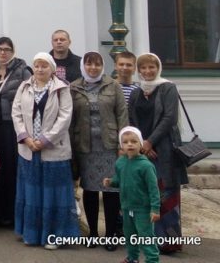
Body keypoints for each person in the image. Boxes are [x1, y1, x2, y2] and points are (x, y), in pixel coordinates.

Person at [11, 52, 80, 249]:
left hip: (53, 150)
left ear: (51, 69)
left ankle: (54, 235)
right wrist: (25, 137)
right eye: (37, 66)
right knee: (32, 192)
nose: (40, 69)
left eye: (44, 66)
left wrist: (45, 140)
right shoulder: (24, 86)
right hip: (28, 148)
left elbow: (65, 116)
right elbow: (16, 112)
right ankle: (31, 233)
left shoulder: (61, 89)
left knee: (53, 194)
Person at [127, 52, 188, 253]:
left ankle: (168, 242)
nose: (147, 71)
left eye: (151, 67)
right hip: (143, 150)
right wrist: (142, 145)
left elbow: (169, 117)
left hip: (164, 150)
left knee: (165, 193)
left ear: (158, 68)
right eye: (143, 68)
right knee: (146, 194)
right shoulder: (136, 92)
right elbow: (132, 119)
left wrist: (150, 141)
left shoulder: (168, 87)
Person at [69, 51, 127, 248]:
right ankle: (93, 233)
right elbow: (71, 119)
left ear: (102, 66)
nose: (93, 68)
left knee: (111, 190)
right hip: (85, 146)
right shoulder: (74, 87)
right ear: (83, 66)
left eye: (97, 64)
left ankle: (111, 234)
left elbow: (121, 114)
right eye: (89, 64)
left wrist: (123, 143)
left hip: (109, 146)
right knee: (90, 190)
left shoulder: (113, 85)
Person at [0, 37, 30, 226]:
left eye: (7, 49)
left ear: (13, 51)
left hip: (12, 126)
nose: (3, 53)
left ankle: (12, 213)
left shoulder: (22, 71)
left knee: (11, 168)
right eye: (0, 49)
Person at [103, 126, 161, 263]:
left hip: (143, 209)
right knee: (129, 236)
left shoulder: (146, 166)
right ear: (121, 145)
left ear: (141, 144)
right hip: (126, 207)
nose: (129, 144)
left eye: (134, 141)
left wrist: (155, 209)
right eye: (126, 142)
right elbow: (119, 179)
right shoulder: (120, 163)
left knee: (145, 237)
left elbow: (153, 189)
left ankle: (152, 259)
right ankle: (132, 258)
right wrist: (111, 182)